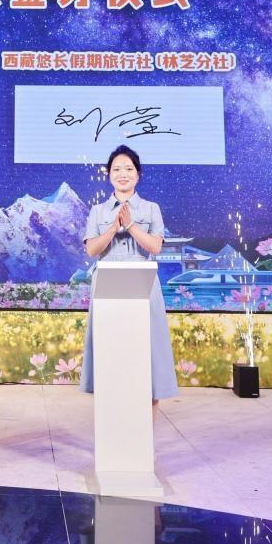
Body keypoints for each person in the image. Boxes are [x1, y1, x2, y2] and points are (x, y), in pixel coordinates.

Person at [81, 145, 179, 410]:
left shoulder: (151, 208)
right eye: (116, 169)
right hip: (107, 288)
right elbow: (92, 250)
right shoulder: (98, 211)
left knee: (148, 355)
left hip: (144, 288)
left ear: (138, 174)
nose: (122, 174)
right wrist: (113, 228)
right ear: (109, 175)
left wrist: (131, 225)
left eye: (128, 169)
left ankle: (145, 425)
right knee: (110, 355)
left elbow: (155, 247)